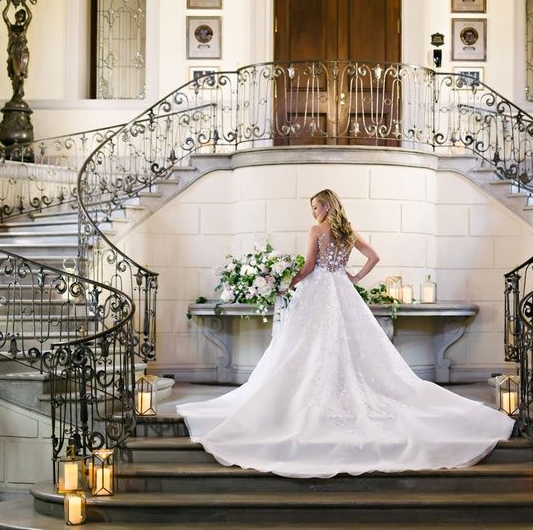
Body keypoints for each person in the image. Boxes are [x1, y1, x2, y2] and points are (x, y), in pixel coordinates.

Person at [177, 189, 515, 478]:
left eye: (316, 206)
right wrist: (353, 277)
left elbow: (309, 266)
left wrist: (287, 284)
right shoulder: (348, 232)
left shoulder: (316, 230)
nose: (313, 211)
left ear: (326, 206)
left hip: (318, 289)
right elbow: (375, 257)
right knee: (343, 343)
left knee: (306, 344)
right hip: (341, 288)